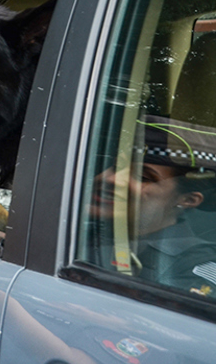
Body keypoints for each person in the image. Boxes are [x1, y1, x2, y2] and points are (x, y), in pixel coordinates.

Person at [86, 115, 216, 295]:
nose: (111, 179)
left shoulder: (192, 269)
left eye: (142, 177)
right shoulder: (79, 231)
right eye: (114, 167)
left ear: (188, 200)